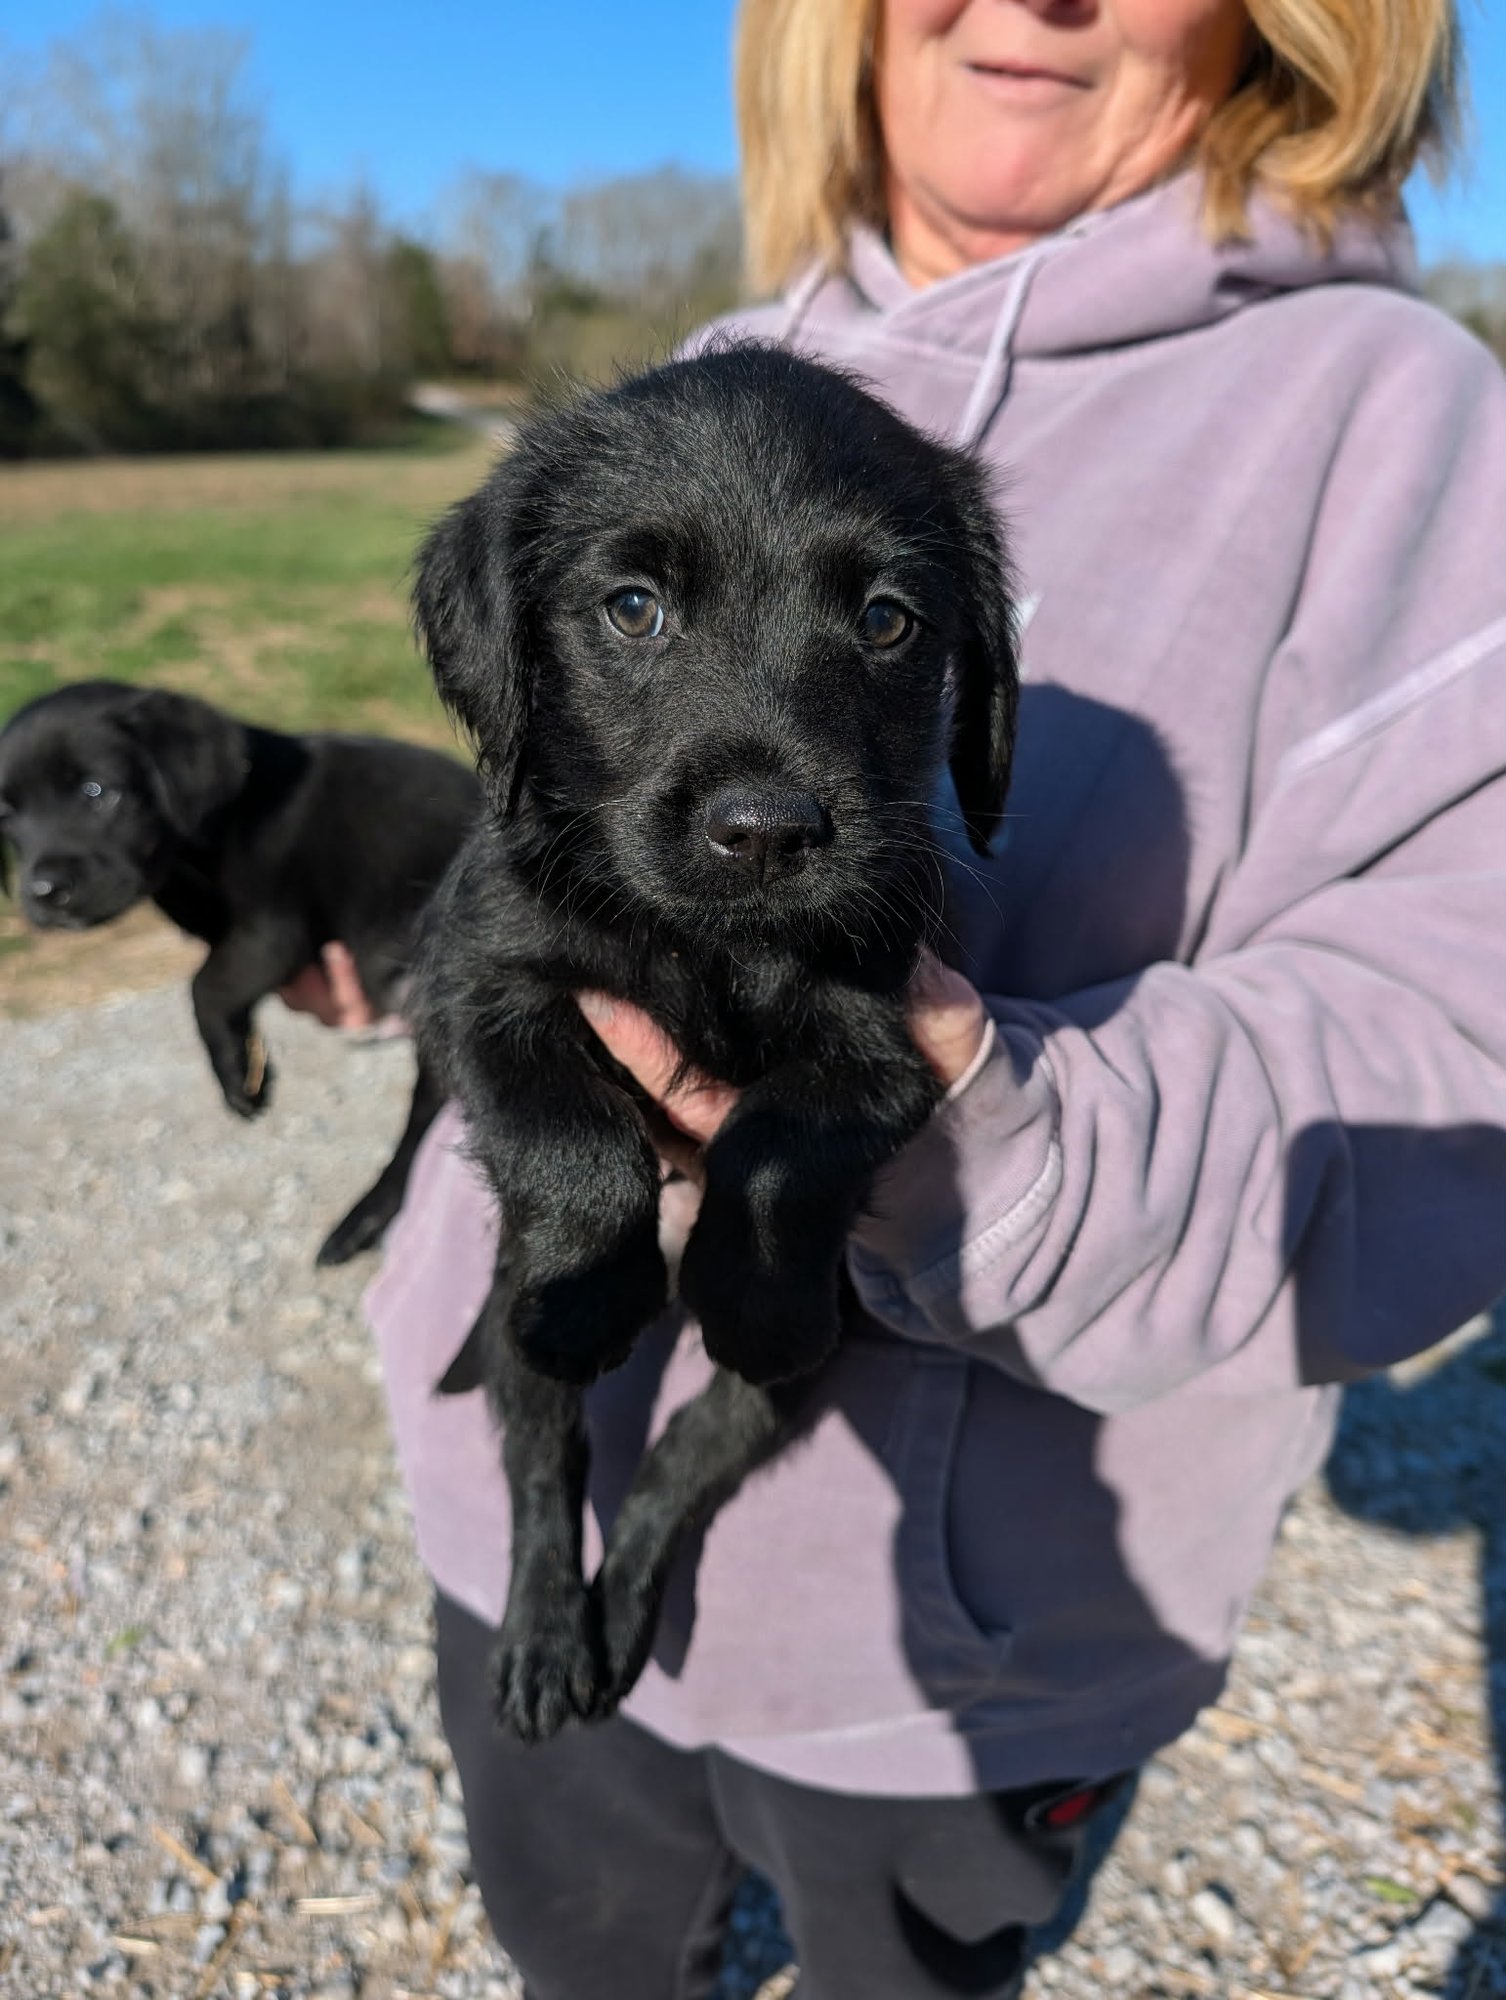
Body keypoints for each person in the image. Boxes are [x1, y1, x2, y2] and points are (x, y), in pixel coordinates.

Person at [294, 2, 1506, 1994]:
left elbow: (1460, 1050)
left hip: (954, 1640)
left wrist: (998, 1134)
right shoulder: (703, 372)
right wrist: (436, 978)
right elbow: (539, 834)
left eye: (882, 619)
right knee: (577, 1940)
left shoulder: (1399, 420)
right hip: (522, 1473)